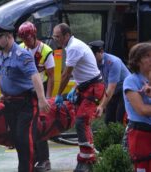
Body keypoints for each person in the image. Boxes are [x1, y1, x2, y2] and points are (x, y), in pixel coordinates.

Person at [0, 23, 50, 172]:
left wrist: (42, 98)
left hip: (26, 104)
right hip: (10, 104)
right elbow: (7, 77)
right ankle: (29, 164)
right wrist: (3, 96)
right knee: (16, 140)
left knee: (24, 139)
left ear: (9, 36)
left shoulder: (22, 54)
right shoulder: (0, 54)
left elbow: (34, 75)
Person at [52, 23, 105, 172]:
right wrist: (76, 88)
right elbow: (84, 71)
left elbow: (66, 74)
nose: (55, 39)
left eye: (57, 36)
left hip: (93, 88)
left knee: (82, 121)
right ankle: (89, 158)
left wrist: (58, 94)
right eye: (54, 36)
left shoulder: (74, 47)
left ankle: (86, 160)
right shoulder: (71, 46)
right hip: (85, 86)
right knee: (82, 122)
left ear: (66, 35)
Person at [17, 21, 55, 171]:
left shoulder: (46, 51)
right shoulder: (20, 49)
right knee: (28, 127)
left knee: (40, 125)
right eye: (23, 39)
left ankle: (45, 160)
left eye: (28, 38)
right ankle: (32, 159)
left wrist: (47, 97)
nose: (26, 41)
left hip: (41, 89)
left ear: (34, 35)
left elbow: (51, 76)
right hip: (25, 91)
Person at [123, 42, 151, 172]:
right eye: (147, 56)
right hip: (141, 133)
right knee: (142, 168)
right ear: (137, 60)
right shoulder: (131, 80)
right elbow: (142, 110)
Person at [88, 40, 131, 125]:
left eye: (94, 55)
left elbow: (111, 87)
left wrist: (101, 106)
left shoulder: (113, 62)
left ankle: (123, 137)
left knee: (119, 119)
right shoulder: (94, 62)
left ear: (101, 52)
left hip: (125, 89)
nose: (91, 58)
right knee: (108, 120)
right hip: (113, 90)